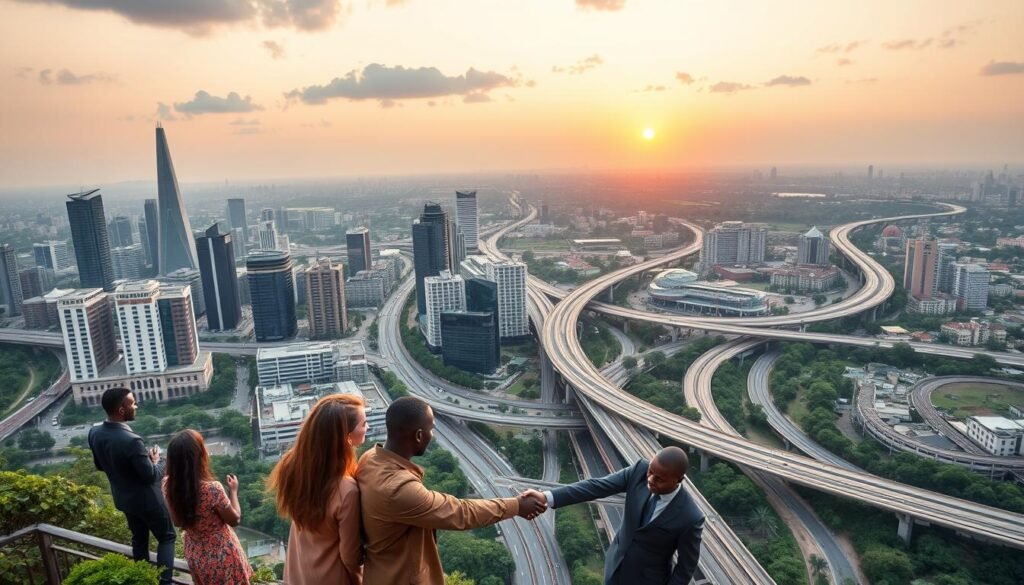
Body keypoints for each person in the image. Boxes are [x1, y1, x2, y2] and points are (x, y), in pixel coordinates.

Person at [356, 396, 546, 585]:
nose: (433, 435)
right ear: (419, 436)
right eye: (431, 429)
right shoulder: (398, 489)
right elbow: (460, 512)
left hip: (379, 572)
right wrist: (516, 506)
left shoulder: (370, 458)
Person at [538, 446, 704, 585]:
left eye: (659, 479)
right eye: (650, 471)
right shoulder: (638, 471)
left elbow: (685, 568)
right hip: (614, 567)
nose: (651, 480)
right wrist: (547, 497)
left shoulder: (690, 517)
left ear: (679, 480)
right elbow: (595, 486)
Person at [269, 393, 368, 584]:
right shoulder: (346, 490)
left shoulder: (294, 466)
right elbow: (350, 556)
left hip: (298, 573)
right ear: (346, 437)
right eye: (363, 424)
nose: (367, 428)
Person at [87, 387, 176, 585]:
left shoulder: (95, 433)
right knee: (167, 537)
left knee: (139, 539)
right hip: (149, 502)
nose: (136, 406)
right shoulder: (132, 441)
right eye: (132, 403)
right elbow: (151, 476)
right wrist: (158, 461)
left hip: (125, 500)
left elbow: (100, 465)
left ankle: (142, 579)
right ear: (121, 410)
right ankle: (165, 582)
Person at [162, 429, 252, 585]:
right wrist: (234, 491)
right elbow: (235, 519)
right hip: (222, 556)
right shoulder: (212, 489)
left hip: (196, 553)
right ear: (199, 455)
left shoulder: (167, 485)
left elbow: (177, 522)